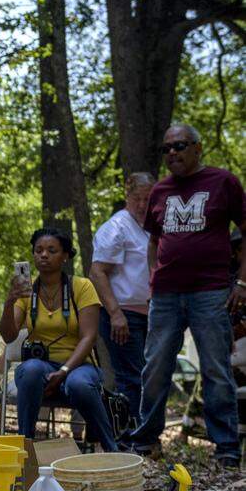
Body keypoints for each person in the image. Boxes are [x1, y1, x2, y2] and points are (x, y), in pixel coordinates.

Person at [125, 125, 246, 467]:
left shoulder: (224, 182)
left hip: (211, 292)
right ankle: (147, 441)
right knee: (155, 368)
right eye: (166, 149)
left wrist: (241, 284)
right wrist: (152, 278)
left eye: (179, 146)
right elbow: (152, 241)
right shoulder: (161, 190)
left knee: (216, 369)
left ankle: (226, 448)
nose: (172, 153)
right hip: (165, 295)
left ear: (198, 147)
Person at [0, 228, 119, 451]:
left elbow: (89, 336)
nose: (43, 255)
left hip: (78, 365)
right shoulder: (27, 291)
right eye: (39, 250)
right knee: (30, 370)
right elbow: (9, 335)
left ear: (65, 256)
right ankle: (25, 446)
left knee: (80, 384)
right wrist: (9, 302)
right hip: (42, 367)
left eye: (51, 250)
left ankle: (111, 448)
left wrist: (63, 371)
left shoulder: (81, 286)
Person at [89, 172, 154, 420]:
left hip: (149, 314)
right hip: (122, 315)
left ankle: (143, 433)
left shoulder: (150, 227)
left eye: (147, 199)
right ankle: (129, 438)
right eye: (137, 198)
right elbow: (97, 272)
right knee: (131, 377)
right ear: (127, 196)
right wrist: (115, 313)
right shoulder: (116, 227)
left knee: (147, 376)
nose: (141, 205)